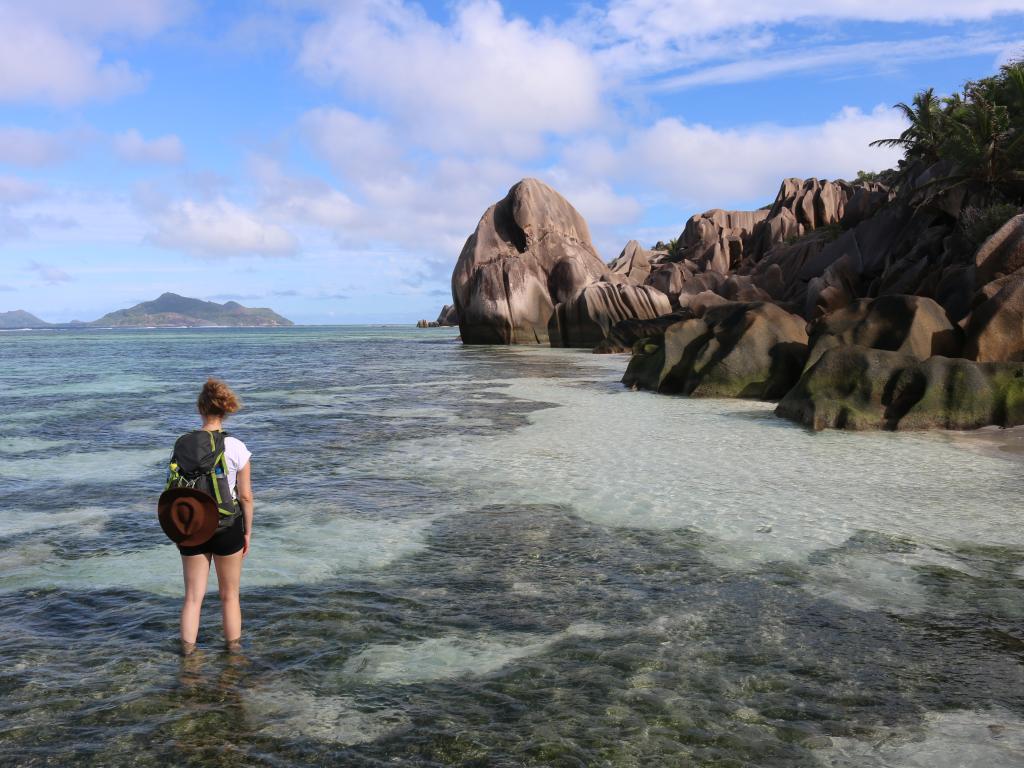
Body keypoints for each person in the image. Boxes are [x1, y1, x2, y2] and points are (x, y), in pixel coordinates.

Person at [176, 378, 253, 656]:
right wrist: (247, 532)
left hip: (191, 525)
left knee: (193, 598)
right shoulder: (237, 447)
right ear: (226, 410)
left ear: (200, 408)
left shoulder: (183, 443)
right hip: (227, 526)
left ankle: (188, 659)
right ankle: (233, 657)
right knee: (229, 597)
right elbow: (245, 496)